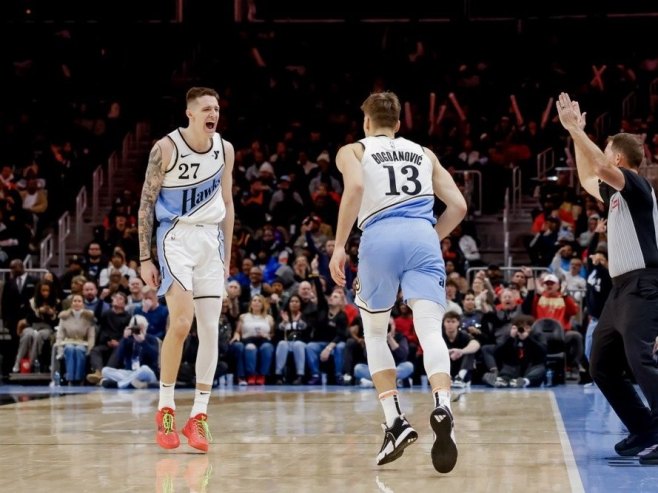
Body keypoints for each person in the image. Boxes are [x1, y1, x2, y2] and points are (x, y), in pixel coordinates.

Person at [329, 91, 467, 473]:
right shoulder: (424, 153)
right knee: (430, 331)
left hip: (379, 237)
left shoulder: (353, 150)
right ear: (400, 124)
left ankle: (394, 420)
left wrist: (339, 246)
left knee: (374, 333)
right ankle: (442, 405)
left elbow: (355, 189)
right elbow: (458, 206)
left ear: (366, 123)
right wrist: (428, 236)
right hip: (422, 235)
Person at [556, 92, 658, 465]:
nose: (600, 151)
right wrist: (576, 134)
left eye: (605, 147)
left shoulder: (635, 185)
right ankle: (644, 428)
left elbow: (598, 169)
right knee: (599, 363)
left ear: (617, 157)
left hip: (644, 284)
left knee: (640, 358)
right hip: (620, 290)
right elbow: (587, 175)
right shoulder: (615, 194)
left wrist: (575, 130)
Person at [138, 87, 234, 453]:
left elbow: (227, 201)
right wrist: (146, 258)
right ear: (190, 113)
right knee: (181, 321)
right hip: (175, 237)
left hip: (212, 241)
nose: (214, 114)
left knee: (211, 329)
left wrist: (227, 256)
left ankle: (199, 415)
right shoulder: (165, 148)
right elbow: (146, 204)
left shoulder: (225, 149)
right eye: (208, 108)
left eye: (218, 108)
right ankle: (165, 409)